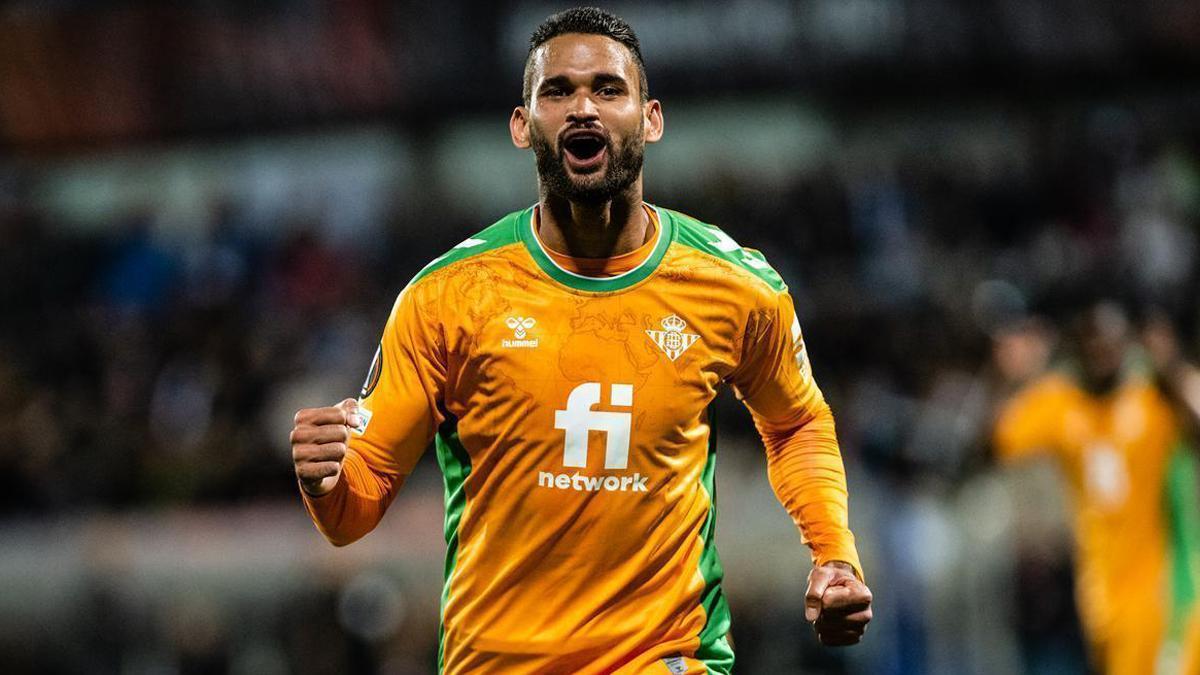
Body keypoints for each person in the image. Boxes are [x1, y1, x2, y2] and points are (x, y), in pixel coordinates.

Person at [289, 7, 871, 673]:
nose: (583, 109)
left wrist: (833, 552)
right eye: (557, 91)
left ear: (651, 118)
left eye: (608, 89)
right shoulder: (448, 296)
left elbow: (796, 421)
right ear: (522, 125)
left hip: (666, 658)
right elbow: (353, 511)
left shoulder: (736, 285)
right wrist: (324, 479)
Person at [991, 301, 1200, 674]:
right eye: (1091, 343)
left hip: (1167, 595)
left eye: (1111, 342)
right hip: (1099, 600)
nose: (1101, 351)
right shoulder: (1062, 402)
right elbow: (992, 442)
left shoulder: (1155, 400)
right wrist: (1012, 375)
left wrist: (1168, 365)